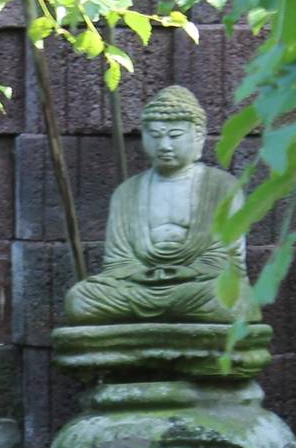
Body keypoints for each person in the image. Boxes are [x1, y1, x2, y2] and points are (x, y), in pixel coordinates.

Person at [63, 85, 258, 325]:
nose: (164, 145)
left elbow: (227, 257)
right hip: (139, 286)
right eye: (155, 136)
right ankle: (168, 309)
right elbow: (117, 261)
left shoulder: (222, 186)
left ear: (198, 137)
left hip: (198, 285)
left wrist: (188, 273)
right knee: (80, 299)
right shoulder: (126, 192)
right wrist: (145, 276)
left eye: (174, 136)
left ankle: (170, 309)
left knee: (234, 300)